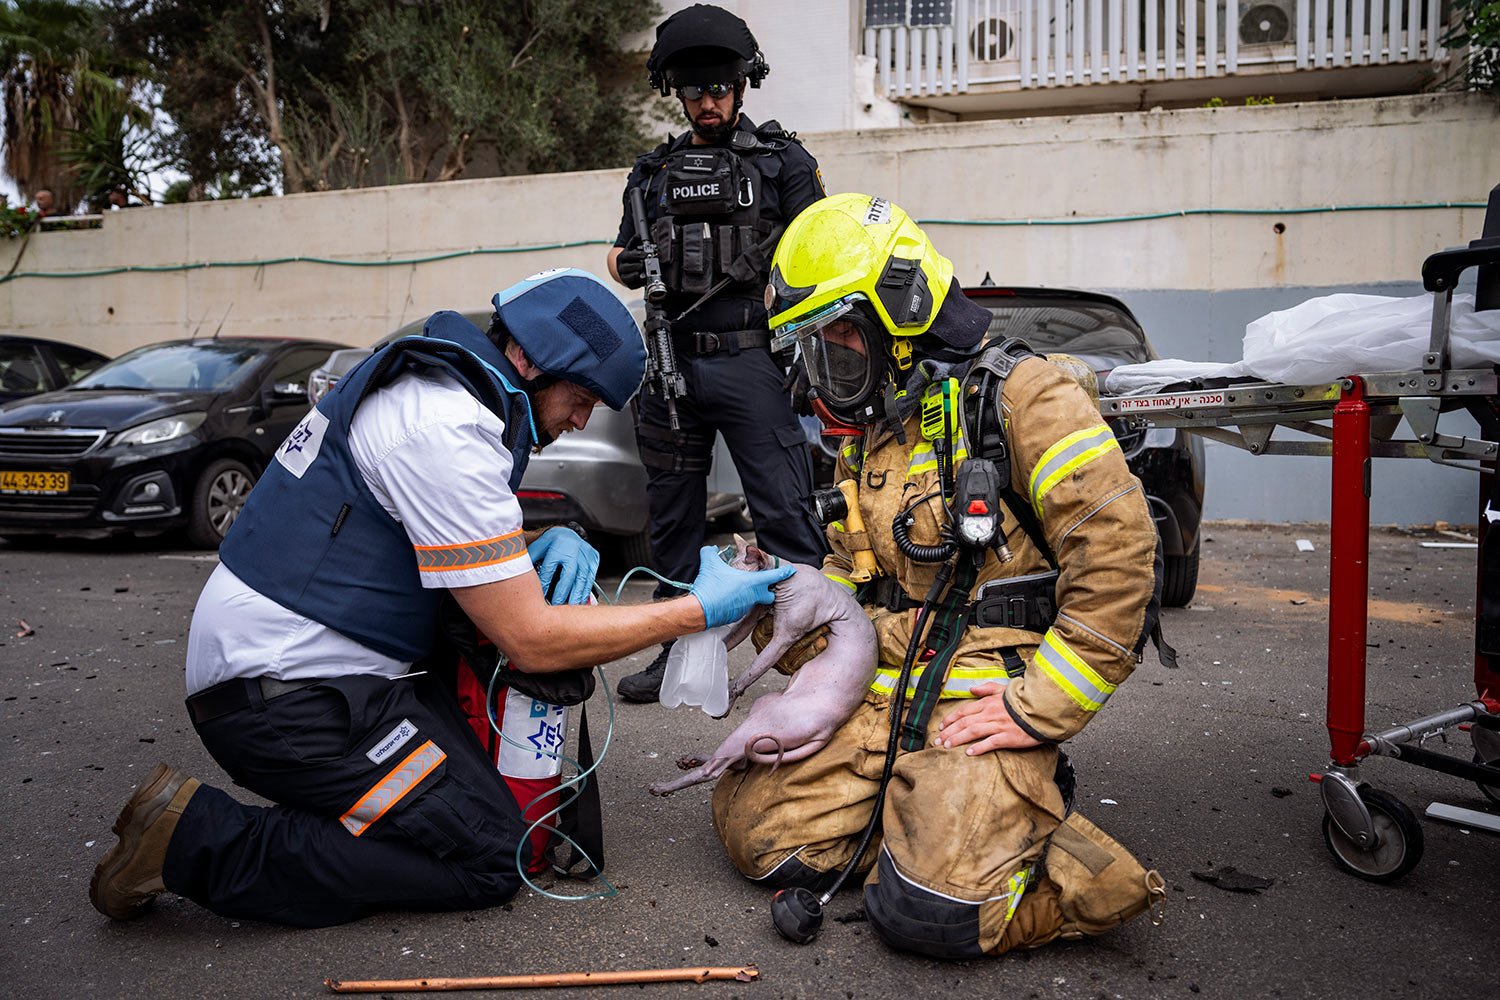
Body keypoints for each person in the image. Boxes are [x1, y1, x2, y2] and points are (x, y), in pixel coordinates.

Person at [88, 268, 794, 928]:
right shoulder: (443, 427)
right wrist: (698, 610)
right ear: (532, 363)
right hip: (284, 697)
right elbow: (531, 639)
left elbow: (434, 532)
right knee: (493, 855)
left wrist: (540, 537)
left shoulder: (439, 394)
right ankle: (192, 841)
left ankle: (361, 812)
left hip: (315, 669)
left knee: (474, 806)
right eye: (581, 400)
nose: (581, 421)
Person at [709, 194, 1168, 958]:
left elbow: (1119, 559)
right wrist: (775, 597)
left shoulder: (1026, 398)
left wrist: (1038, 707)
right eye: (815, 347)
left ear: (901, 313)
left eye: (839, 338)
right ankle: (937, 817)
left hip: (991, 695)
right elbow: (846, 579)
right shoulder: (873, 435)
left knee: (930, 914)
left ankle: (1075, 863)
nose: (827, 368)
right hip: (894, 686)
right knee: (758, 837)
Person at [607, 4, 828, 703]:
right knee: (671, 517)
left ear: (742, 84)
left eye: (718, 88)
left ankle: (817, 644)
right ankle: (673, 655)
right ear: (676, 91)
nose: (707, 101)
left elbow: (818, 250)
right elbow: (615, 255)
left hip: (749, 359)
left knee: (785, 506)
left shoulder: (784, 162)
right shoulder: (652, 174)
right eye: (693, 90)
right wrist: (634, 265)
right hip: (671, 363)